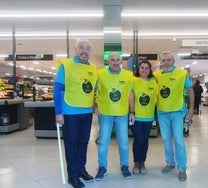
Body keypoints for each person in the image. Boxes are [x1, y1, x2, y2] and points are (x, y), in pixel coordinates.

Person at [53, 39, 98, 188]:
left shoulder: (93, 68)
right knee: (72, 145)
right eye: (81, 48)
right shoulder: (66, 65)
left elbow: (93, 90)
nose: (84, 51)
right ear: (75, 49)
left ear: (90, 52)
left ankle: (81, 170)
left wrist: (95, 106)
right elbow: (57, 90)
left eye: (88, 49)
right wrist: (58, 113)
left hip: (87, 112)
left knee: (83, 143)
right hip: (70, 112)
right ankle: (72, 175)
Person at [154, 51, 194, 182]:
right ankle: (170, 163)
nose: (166, 62)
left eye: (168, 60)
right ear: (161, 62)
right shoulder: (156, 75)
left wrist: (192, 108)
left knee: (178, 140)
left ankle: (182, 168)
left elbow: (190, 90)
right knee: (166, 140)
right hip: (162, 112)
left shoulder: (182, 74)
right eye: (163, 60)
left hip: (177, 112)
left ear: (173, 61)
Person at [94, 52, 134, 180]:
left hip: (122, 114)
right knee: (103, 142)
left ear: (121, 61)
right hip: (105, 114)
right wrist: (93, 107)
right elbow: (91, 90)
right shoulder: (100, 74)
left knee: (123, 142)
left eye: (118, 60)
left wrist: (132, 111)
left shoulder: (128, 75)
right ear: (108, 62)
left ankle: (124, 166)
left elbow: (130, 94)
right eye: (112, 60)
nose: (115, 62)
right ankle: (102, 167)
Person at [131, 59, 158, 175]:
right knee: (139, 139)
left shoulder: (154, 82)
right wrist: (131, 112)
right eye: (142, 67)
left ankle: (142, 162)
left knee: (145, 140)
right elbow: (130, 97)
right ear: (138, 69)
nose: (144, 70)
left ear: (149, 70)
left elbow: (156, 100)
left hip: (149, 117)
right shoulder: (133, 80)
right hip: (136, 117)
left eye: (147, 68)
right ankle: (136, 162)